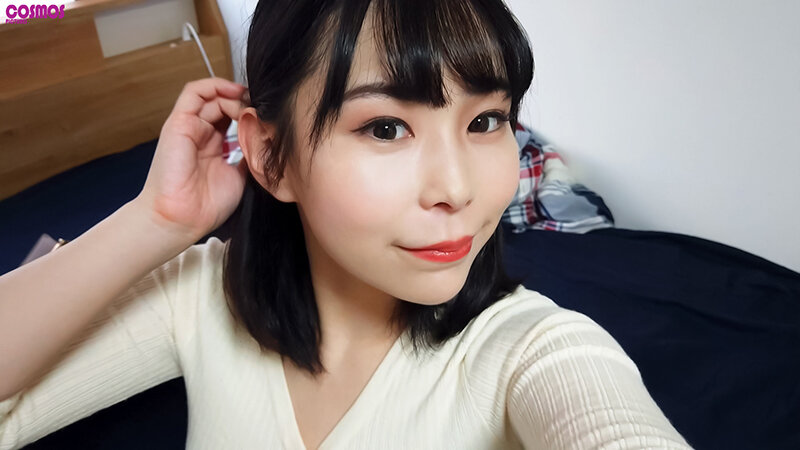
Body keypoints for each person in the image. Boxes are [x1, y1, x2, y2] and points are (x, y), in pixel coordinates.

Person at [0, 0, 693, 448]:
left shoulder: (535, 349)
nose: (457, 189)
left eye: (486, 120)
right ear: (271, 157)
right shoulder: (203, 296)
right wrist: (155, 220)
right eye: (386, 127)